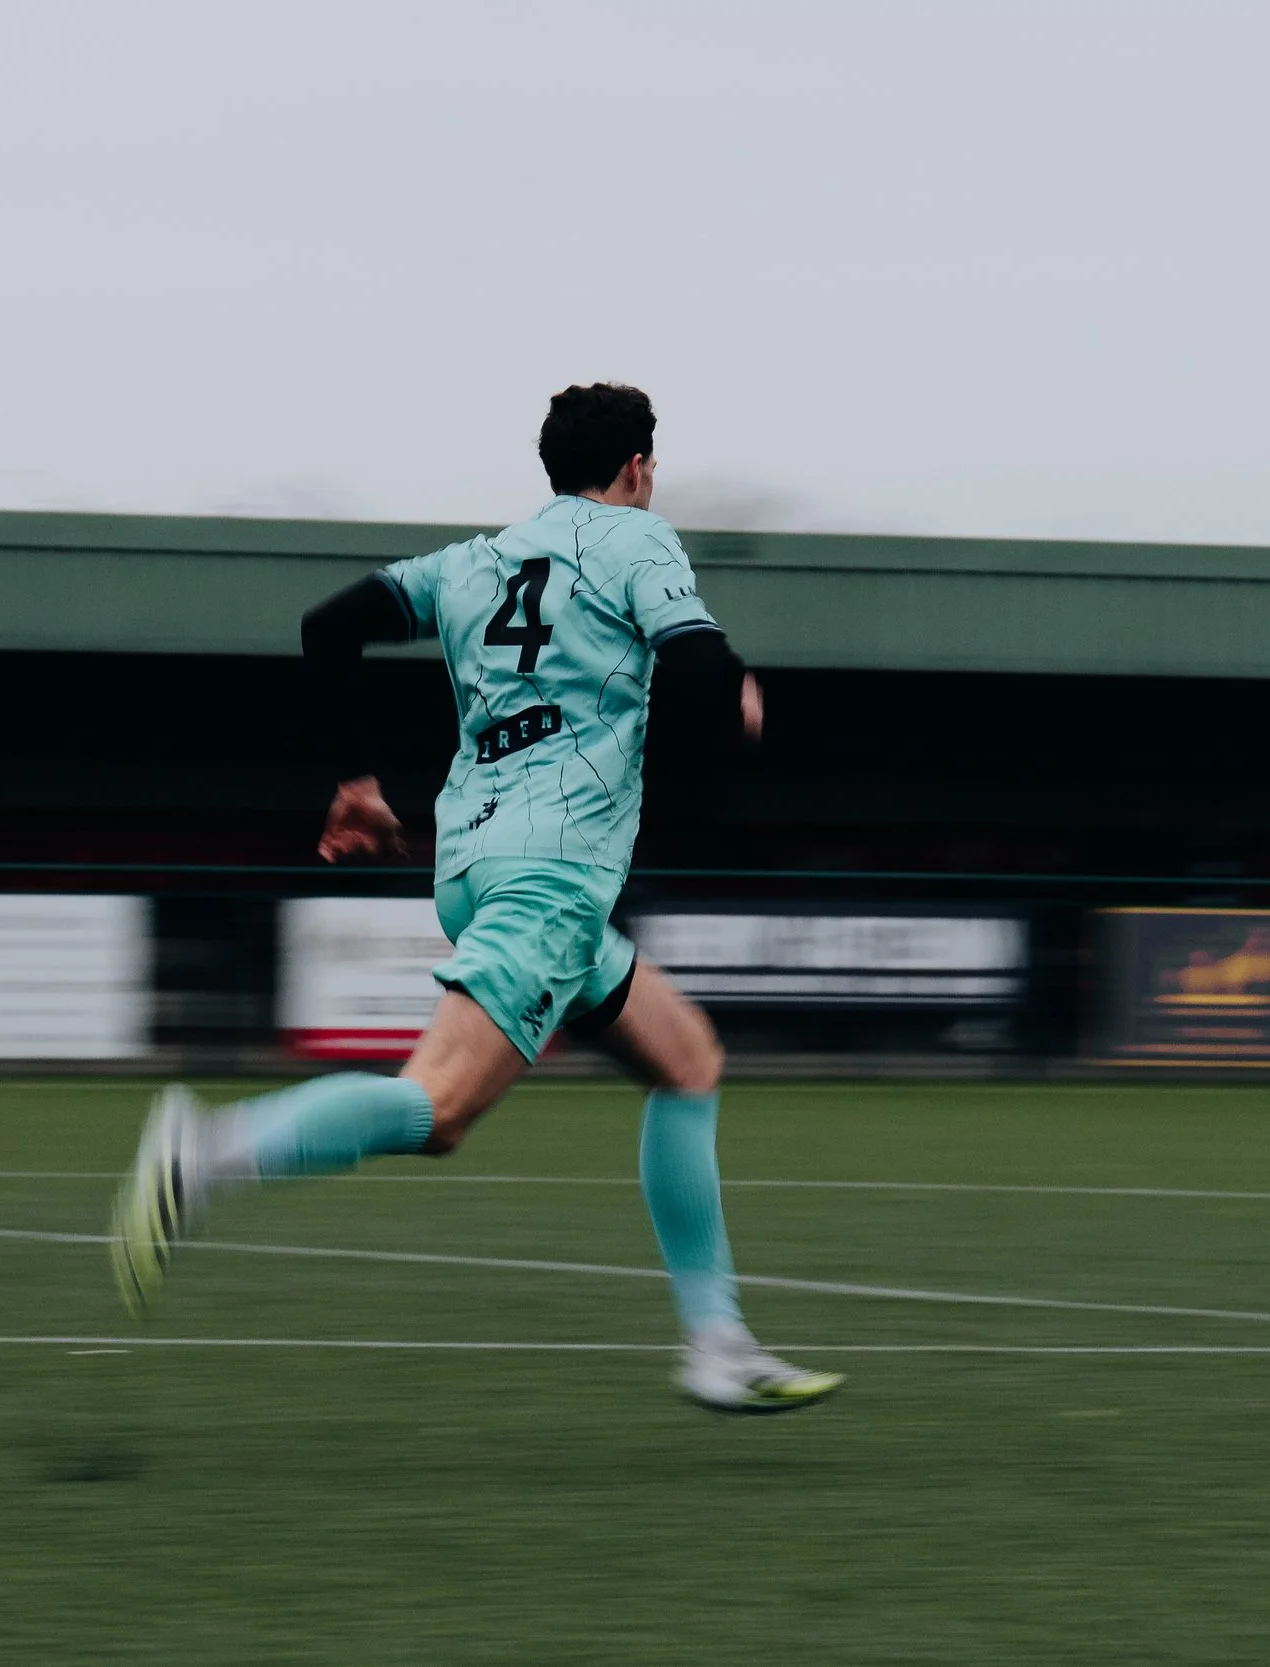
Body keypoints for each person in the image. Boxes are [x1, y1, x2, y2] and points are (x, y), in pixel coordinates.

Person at [111, 383, 843, 1414]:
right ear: (636, 467)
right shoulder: (638, 542)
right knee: (439, 1108)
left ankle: (717, 1338)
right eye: (651, 468)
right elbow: (696, 674)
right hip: (550, 875)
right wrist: (740, 699)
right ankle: (207, 1149)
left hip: (478, 862)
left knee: (685, 1060)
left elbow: (330, 626)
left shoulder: (471, 563)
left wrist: (354, 781)